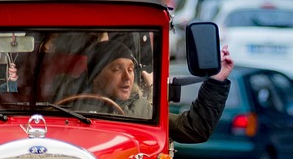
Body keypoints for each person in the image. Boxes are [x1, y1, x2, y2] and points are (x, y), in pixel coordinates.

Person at [82, 38, 235, 142]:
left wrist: (216, 80)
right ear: (96, 76)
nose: (127, 77)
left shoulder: (140, 109)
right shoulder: (70, 108)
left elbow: (194, 128)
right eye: (116, 69)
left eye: (130, 70)